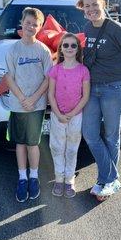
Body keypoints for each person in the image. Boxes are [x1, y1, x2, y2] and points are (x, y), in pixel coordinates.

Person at [76, 0, 121, 200]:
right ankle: (112, 177)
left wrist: (119, 70)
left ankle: (104, 181)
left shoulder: (116, 28)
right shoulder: (86, 29)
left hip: (114, 89)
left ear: (102, 3)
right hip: (92, 89)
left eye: (95, 4)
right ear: (83, 8)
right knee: (90, 134)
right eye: (87, 6)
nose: (91, 9)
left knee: (112, 137)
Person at [5, 7, 53, 203]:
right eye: (28, 23)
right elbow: (8, 77)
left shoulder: (43, 50)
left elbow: (48, 78)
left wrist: (33, 98)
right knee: (20, 142)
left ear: (40, 27)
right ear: (22, 24)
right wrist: (22, 98)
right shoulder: (13, 49)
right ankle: (22, 178)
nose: (31, 27)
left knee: (33, 142)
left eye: (35, 24)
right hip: (18, 104)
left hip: (37, 104)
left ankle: (33, 177)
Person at [48, 33, 90, 198]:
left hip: (76, 115)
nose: (70, 48)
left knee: (72, 148)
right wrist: (58, 113)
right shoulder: (55, 70)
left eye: (73, 45)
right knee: (57, 147)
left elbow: (85, 95)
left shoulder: (83, 70)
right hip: (57, 115)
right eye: (66, 45)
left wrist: (72, 113)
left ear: (78, 49)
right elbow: (50, 94)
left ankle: (69, 179)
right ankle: (59, 178)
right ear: (61, 49)